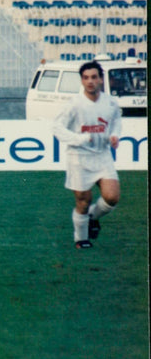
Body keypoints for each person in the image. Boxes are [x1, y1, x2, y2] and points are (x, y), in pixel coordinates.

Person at [52, 60, 121, 249]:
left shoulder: (110, 103)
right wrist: (80, 139)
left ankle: (92, 217)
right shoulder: (74, 104)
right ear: (81, 81)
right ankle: (81, 239)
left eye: (94, 77)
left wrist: (114, 135)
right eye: (85, 78)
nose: (90, 81)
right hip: (79, 158)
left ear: (101, 79)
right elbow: (57, 128)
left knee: (112, 196)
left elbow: (116, 121)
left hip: (102, 155)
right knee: (83, 200)